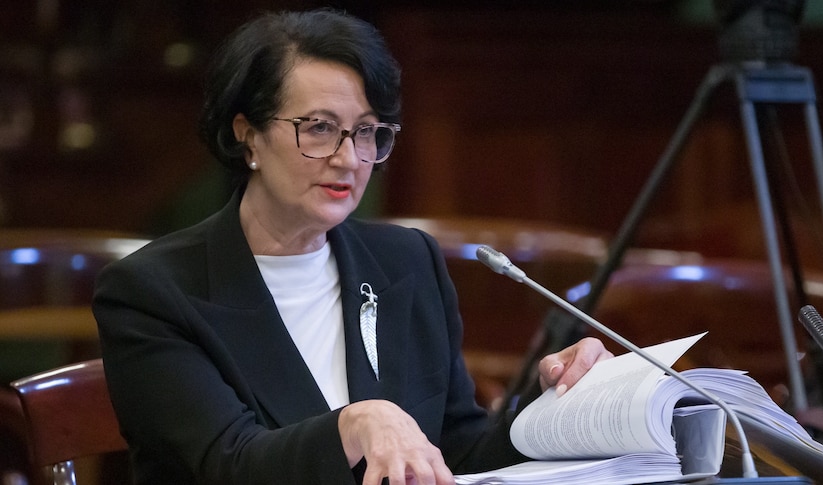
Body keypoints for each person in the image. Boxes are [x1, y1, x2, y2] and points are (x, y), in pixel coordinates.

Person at [93, 8, 613, 485]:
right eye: (319, 128)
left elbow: (456, 450)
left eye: (366, 132)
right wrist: (357, 421)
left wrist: (560, 408)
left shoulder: (407, 261)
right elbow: (229, 463)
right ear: (247, 135)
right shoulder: (152, 292)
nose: (349, 158)